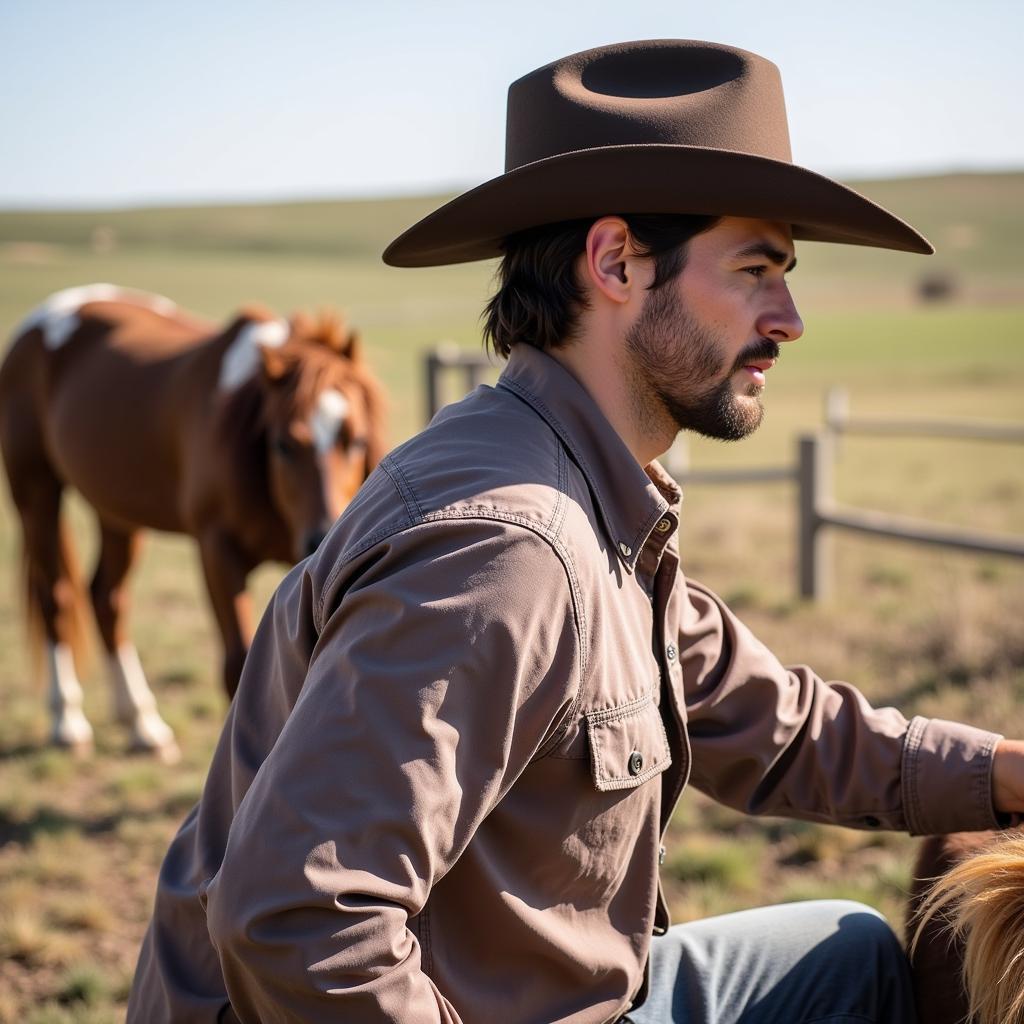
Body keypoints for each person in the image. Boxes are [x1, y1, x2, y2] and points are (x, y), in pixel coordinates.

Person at [127, 39, 1024, 1023]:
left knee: (846, 956)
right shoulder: (507, 549)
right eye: (757, 268)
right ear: (614, 262)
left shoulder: (588, 492)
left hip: (545, 984)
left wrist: (1003, 773)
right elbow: (298, 914)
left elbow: (779, 729)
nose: (790, 317)